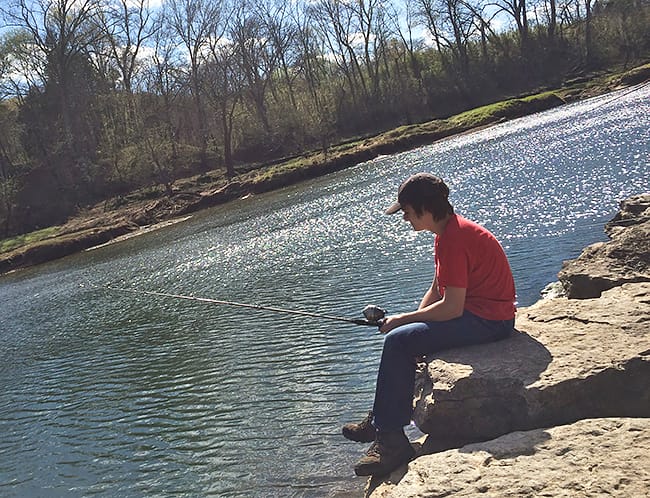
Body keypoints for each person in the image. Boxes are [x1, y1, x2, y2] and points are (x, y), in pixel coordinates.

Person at [343, 172, 516, 477]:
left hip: (491, 320)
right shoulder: (447, 233)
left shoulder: (454, 238)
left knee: (398, 342)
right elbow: (438, 289)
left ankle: (392, 440)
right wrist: (409, 327)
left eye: (407, 212)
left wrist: (404, 323)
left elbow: (451, 307)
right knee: (404, 338)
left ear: (424, 208)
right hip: (481, 314)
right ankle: (383, 420)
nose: (405, 219)